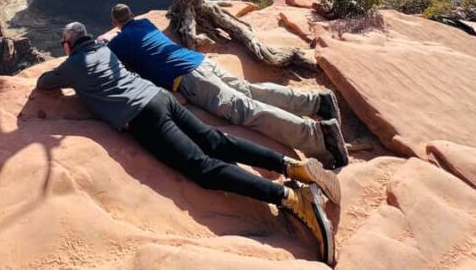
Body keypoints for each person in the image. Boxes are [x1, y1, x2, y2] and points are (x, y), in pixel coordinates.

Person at [38, 22, 339, 265]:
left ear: (67, 46)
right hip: (161, 96)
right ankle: (294, 167)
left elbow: (44, 83)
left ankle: (291, 198)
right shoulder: (104, 50)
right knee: (215, 140)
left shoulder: (72, 65)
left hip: (143, 116)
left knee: (202, 168)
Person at [105, 5, 349, 168]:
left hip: (190, 78)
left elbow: (105, 56)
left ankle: (320, 137)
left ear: (115, 22)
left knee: (245, 110)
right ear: (131, 16)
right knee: (249, 90)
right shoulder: (145, 23)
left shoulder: (121, 41)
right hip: (200, 62)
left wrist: (107, 40)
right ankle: (317, 102)